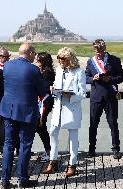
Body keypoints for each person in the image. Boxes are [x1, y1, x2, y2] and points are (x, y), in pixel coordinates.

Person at [0, 43, 46, 188]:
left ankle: (5, 179)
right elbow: (42, 92)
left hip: (8, 111)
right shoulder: (33, 69)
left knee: (8, 145)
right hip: (26, 112)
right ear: (30, 53)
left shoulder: (7, 66)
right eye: (34, 53)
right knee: (25, 146)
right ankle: (22, 179)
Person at [42, 47, 86, 177]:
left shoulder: (79, 72)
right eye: (58, 58)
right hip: (58, 107)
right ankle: (53, 161)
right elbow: (57, 86)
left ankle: (72, 164)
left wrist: (70, 96)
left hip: (71, 109)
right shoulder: (59, 70)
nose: (60, 61)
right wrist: (53, 89)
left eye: (63, 58)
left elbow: (83, 93)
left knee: (73, 137)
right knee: (53, 133)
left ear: (70, 59)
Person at [85, 39, 123, 159]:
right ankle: (92, 149)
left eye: (101, 51)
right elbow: (86, 77)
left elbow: (121, 77)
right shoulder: (90, 62)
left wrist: (110, 79)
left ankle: (116, 149)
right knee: (93, 124)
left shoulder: (115, 60)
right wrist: (93, 79)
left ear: (104, 49)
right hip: (96, 97)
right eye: (96, 52)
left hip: (111, 96)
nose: (99, 54)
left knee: (113, 123)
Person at [0, 46, 20, 154]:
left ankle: (15, 146)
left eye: (8, 56)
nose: (8, 58)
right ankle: (2, 148)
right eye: (5, 56)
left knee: (14, 124)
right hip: (1, 102)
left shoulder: (9, 67)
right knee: (2, 125)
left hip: (12, 101)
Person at [34, 52, 55, 162]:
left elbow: (44, 88)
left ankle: (49, 152)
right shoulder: (47, 71)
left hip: (44, 102)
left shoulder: (47, 73)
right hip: (43, 102)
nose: (36, 62)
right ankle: (49, 151)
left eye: (37, 60)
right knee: (40, 127)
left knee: (40, 127)